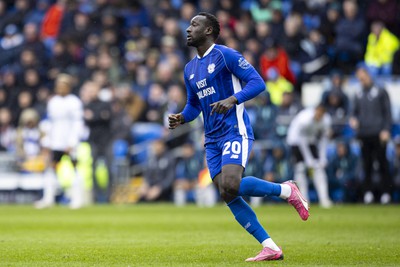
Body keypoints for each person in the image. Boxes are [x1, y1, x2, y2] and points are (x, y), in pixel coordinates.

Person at [168, 12, 309, 262]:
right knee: (227, 193)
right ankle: (270, 246)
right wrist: (182, 117)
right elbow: (194, 105)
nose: (188, 29)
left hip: (234, 130)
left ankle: (286, 190)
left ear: (209, 30)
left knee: (231, 185)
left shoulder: (226, 55)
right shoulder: (190, 69)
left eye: (194, 25)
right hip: (211, 139)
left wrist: (233, 99)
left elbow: (257, 83)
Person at [35, 73, 84, 209]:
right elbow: (49, 123)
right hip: (55, 141)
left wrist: (72, 142)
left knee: (75, 169)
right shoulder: (53, 102)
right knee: (51, 168)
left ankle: (77, 198)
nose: (61, 88)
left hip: (69, 142)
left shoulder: (74, 102)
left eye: (63, 86)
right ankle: (48, 198)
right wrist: (46, 141)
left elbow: (78, 124)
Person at [350, 65, 393, 204]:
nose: (362, 81)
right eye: (359, 79)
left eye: (363, 77)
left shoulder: (380, 91)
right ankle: (367, 193)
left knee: (382, 163)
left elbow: (387, 112)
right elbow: (353, 112)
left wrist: (386, 129)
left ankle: (386, 193)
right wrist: (353, 119)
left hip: (379, 132)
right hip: (364, 133)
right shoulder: (358, 93)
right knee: (366, 164)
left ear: (368, 75)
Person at [286, 104, 333, 208]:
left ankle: (324, 199)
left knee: (319, 169)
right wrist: (308, 159)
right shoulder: (305, 120)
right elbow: (301, 139)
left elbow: (323, 139)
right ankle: (303, 200)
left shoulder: (326, 120)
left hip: (311, 141)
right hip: (295, 141)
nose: (319, 116)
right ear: (315, 111)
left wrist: (322, 157)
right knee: (300, 169)